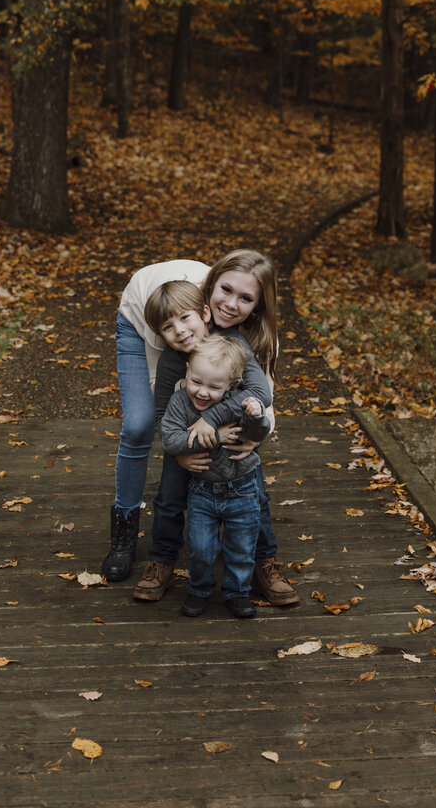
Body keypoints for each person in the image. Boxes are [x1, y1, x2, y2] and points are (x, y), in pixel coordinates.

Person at [100, 249, 298, 609]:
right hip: (144, 314)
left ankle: (263, 561)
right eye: (226, 290)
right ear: (210, 291)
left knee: (253, 481)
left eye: (246, 299)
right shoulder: (174, 333)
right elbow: (165, 411)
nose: (232, 304)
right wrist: (183, 447)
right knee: (149, 444)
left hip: (221, 426)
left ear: (256, 308)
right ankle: (149, 551)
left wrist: (251, 435)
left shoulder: (243, 340)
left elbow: (261, 395)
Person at [159, 334, 271, 618]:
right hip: (202, 490)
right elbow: (169, 440)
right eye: (196, 382)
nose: (203, 393)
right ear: (187, 373)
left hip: (243, 489)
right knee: (201, 548)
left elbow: (258, 435)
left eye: (214, 386)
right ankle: (199, 589)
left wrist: (258, 418)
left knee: (241, 548)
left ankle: (238, 593)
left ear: (231, 386)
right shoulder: (179, 402)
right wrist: (214, 436)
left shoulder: (240, 401)